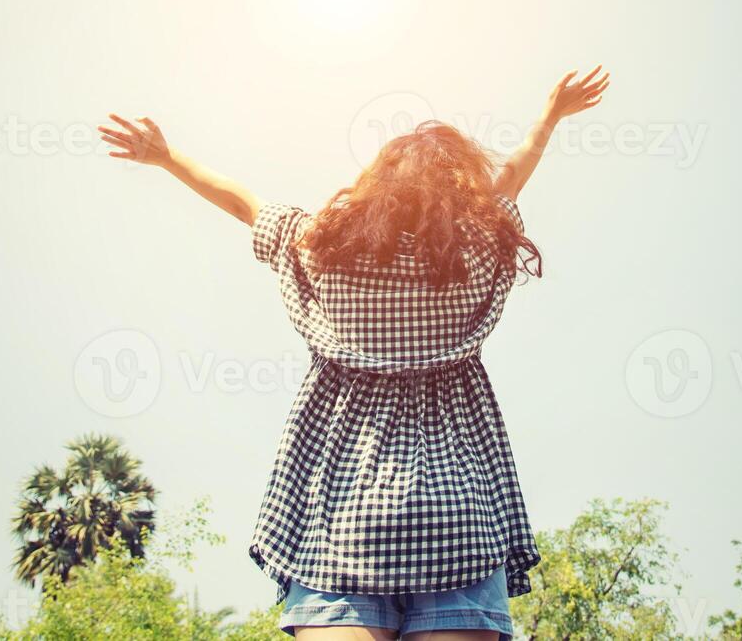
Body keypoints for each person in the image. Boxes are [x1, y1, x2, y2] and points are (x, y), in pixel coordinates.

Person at [98, 65, 609, 641]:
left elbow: (245, 204)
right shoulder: (480, 248)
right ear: (461, 189)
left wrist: (168, 159)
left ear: (378, 185)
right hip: (459, 518)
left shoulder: (323, 248)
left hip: (341, 523)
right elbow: (508, 183)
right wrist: (549, 118)